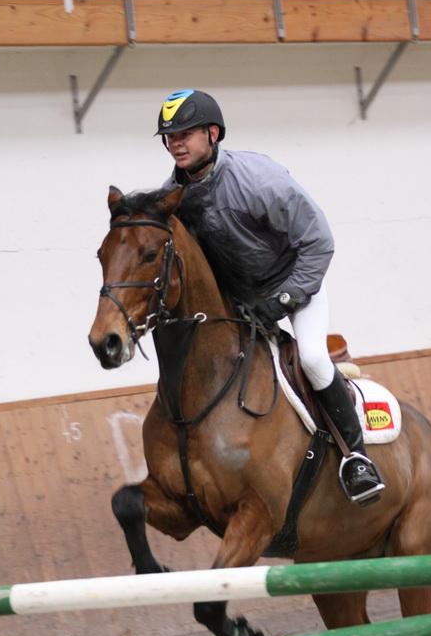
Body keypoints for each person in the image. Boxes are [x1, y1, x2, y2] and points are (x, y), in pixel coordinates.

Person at [156, 88, 385, 505]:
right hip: (241, 303)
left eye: (184, 134)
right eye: (170, 137)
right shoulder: (174, 195)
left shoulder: (259, 179)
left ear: (213, 133)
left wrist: (283, 299)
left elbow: (318, 242)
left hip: (296, 284)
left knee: (312, 358)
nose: (175, 144)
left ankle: (356, 458)